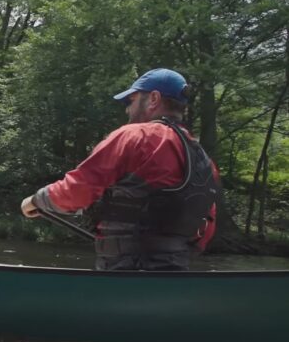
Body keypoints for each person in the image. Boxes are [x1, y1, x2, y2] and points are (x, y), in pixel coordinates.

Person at [20, 68, 219, 270]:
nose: (127, 110)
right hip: (174, 272)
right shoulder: (204, 160)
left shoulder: (135, 136)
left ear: (153, 98)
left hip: (123, 271)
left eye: (131, 101)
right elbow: (206, 229)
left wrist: (37, 200)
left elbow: (78, 189)